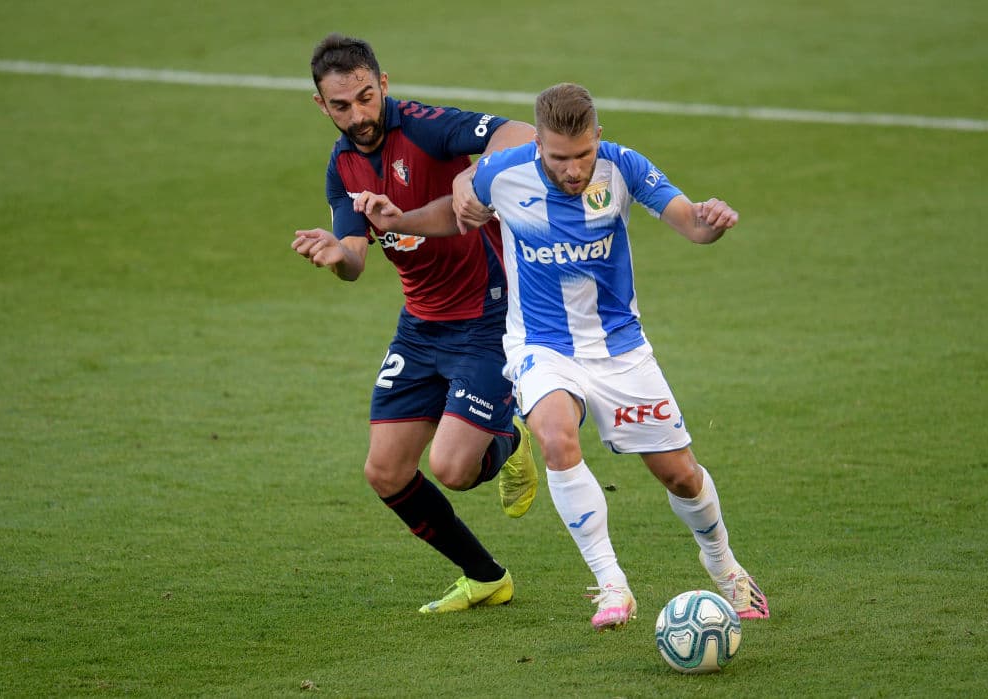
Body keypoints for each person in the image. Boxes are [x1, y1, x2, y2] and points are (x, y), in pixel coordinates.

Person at [353, 82, 770, 630]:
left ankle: (724, 565)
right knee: (554, 435)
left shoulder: (623, 167)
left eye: (582, 156)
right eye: (558, 158)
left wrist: (709, 221)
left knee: (680, 476)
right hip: (540, 345)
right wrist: (399, 221)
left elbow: (690, 222)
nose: (573, 170)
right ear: (538, 146)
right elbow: (458, 215)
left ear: (598, 137)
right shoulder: (503, 173)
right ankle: (611, 584)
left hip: (620, 350)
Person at [290, 33, 540, 614]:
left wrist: (470, 179)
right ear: (321, 106)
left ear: (383, 85)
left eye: (365, 97)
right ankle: (486, 578)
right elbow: (354, 259)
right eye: (342, 105)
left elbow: (520, 135)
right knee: (385, 471)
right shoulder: (342, 166)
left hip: (487, 315)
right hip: (421, 326)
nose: (358, 115)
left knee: (453, 469)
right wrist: (338, 254)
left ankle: (511, 435)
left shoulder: (425, 127)